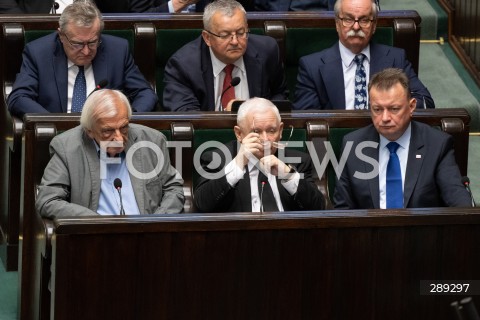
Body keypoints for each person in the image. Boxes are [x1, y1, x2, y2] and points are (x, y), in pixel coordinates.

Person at [333, 68, 472, 209]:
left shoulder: (437, 144)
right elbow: (343, 208)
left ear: (411, 106)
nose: (385, 118)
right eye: (377, 109)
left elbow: (457, 198)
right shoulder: (353, 144)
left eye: (394, 109)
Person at [36, 89, 185, 219]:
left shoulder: (152, 140)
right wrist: (96, 222)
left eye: (124, 127)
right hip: (95, 241)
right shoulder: (66, 147)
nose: (119, 138)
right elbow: (48, 200)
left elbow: (173, 189)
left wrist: (156, 222)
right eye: (108, 131)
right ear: (89, 131)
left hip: (147, 238)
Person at [7, 0, 158, 117]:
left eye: (92, 42)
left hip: (106, 136)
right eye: (77, 44)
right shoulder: (39, 52)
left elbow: (145, 93)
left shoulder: (117, 50)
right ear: (61, 36)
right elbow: (18, 98)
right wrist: (53, 122)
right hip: (57, 137)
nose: (86, 51)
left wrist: (124, 120)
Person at [293, 0, 435, 110]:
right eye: (348, 19)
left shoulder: (395, 58)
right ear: (337, 23)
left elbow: (425, 102)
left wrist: (395, 109)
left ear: (374, 26)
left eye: (364, 20)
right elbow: (306, 119)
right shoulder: (312, 66)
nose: (356, 27)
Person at [194, 97, 325, 212]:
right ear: (239, 133)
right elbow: (203, 204)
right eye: (256, 131)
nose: (265, 139)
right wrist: (238, 164)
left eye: (271, 131)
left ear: (280, 131)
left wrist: (288, 175)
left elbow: (319, 208)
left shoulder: (299, 161)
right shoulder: (217, 158)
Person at [162, 0, 287, 112]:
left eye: (240, 32)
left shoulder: (267, 51)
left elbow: (280, 96)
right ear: (207, 38)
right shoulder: (184, 65)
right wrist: (223, 120)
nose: (234, 41)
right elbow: (186, 114)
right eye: (225, 35)